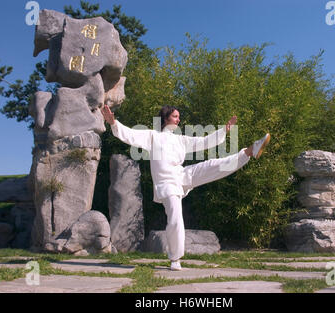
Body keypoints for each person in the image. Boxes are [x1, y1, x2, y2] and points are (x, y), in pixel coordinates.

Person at [101, 104, 270, 271]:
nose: (178, 119)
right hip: (166, 183)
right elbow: (131, 134)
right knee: (175, 217)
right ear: (166, 118)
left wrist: (224, 131)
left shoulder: (180, 139)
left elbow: (204, 142)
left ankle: (249, 151)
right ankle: (175, 258)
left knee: (213, 165)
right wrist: (113, 123)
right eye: (175, 116)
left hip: (182, 175)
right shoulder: (153, 136)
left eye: (178, 116)